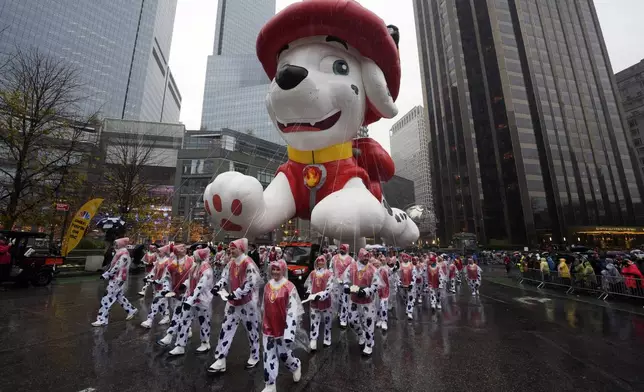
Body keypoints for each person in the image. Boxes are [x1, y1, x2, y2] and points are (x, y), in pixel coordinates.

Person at [208, 238, 262, 373]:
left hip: (247, 303)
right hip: (232, 303)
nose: (231, 250)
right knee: (226, 328)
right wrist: (217, 287)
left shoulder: (248, 263)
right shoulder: (231, 263)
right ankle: (220, 359)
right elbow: (224, 277)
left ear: (241, 249)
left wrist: (236, 293)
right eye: (230, 248)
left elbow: (251, 282)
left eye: (234, 248)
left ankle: (255, 355)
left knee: (252, 330)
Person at [260, 259, 304, 392]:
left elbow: (293, 310)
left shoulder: (289, 287)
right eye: (273, 269)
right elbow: (264, 306)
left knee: (284, 355)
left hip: (282, 329)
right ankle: (270, 384)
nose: (275, 272)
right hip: (268, 328)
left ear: (283, 270)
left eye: (278, 269)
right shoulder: (268, 285)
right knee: (268, 356)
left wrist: (289, 332)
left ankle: (295, 365)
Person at [168, 248, 215, 355]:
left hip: (202, 300)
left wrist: (191, 299)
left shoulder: (206, 269)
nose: (193, 256)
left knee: (204, 321)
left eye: (196, 255)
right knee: (184, 320)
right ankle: (180, 346)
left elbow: (201, 286)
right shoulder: (195, 266)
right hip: (190, 298)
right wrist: (184, 285)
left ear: (201, 256)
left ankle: (205, 343)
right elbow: (190, 279)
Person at [342, 248, 382, 356]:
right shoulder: (351, 266)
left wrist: (366, 292)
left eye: (367, 257)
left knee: (368, 323)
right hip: (354, 300)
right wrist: (346, 286)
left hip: (368, 301)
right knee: (352, 321)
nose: (366, 259)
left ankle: (369, 345)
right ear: (359, 256)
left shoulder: (373, 269)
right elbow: (346, 279)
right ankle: (361, 334)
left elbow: (376, 284)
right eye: (364, 257)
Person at [92, 237, 138, 326]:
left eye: (117, 244)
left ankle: (102, 319)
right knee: (119, 296)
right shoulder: (122, 253)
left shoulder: (123, 254)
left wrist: (106, 274)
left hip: (117, 279)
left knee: (107, 298)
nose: (115, 245)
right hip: (118, 279)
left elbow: (117, 267)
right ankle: (131, 310)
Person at [157, 244, 194, 347]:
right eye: (181, 249)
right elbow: (166, 278)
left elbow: (194, 276)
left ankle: (169, 335)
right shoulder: (171, 264)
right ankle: (188, 330)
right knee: (182, 314)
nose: (184, 249)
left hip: (188, 293)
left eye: (184, 248)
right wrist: (166, 289)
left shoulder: (191, 262)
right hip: (175, 293)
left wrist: (186, 284)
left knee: (178, 313)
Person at [304, 255, 334, 351]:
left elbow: (330, 287)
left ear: (325, 262)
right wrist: (309, 292)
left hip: (326, 302)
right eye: (318, 262)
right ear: (316, 263)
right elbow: (309, 284)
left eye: (322, 261)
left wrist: (322, 295)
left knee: (327, 320)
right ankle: (313, 339)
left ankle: (327, 337)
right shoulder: (312, 273)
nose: (320, 263)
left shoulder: (329, 274)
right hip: (314, 302)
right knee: (314, 321)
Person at [140, 244, 172, 328]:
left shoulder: (168, 261)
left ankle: (149, 320)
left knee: (156, 301)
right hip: (158, 285)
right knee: (163, 303)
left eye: (159, 251)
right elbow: (153, 271)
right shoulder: (158, 261)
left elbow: (166, 275)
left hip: (165, 286)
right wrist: (147, 277)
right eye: (157, 251)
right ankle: (166, 317)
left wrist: (158, 281)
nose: (158, 253)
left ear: (165, 252)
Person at [330, 244, 354, 327]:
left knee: (345, 301)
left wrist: (346, 280)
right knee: (337, 300)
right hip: (336, 283)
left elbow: (352, 272)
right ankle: (340, 313)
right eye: (341, 249)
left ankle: (343, 319)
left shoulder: (351, 259)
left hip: (346, 284)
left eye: (344, 249)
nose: (342, 250)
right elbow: (330, 269)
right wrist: (334, 278)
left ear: (347, 249)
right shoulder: (334, 258)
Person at [398, 253, 417, 320]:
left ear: (408, 258)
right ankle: (407, 307)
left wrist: (411, 284)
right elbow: (398, 275)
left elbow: (414, 275)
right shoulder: (400, 266)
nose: (405, 258)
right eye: (404, 257)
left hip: (410, 285)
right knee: (404, 298)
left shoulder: (412, 265)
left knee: (410, 298)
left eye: (406, 257)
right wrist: (399, 283)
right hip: (403, 285)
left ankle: (409, 312)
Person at [373, 257, 390, 331]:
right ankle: (379, 319)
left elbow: (390, 273)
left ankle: (384, 321)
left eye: (377, 263)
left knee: (383, 306)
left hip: (385, 291)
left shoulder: (384, 269)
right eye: (374, 264)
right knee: (377, 306)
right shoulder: (373, 271)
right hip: (377, 292)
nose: (376, 264)